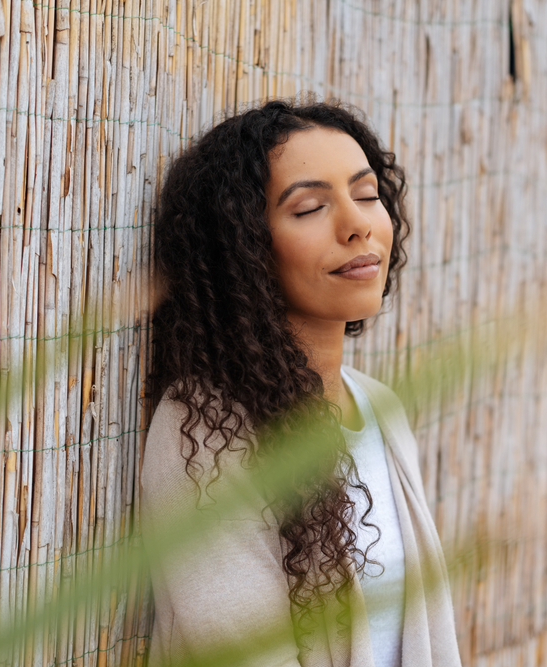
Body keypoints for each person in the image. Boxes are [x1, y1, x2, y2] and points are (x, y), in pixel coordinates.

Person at [141, 98, 462, 667]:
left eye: (367, 195)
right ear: (243, 248)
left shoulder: (379, 408)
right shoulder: (206, 431)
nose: (357, 223)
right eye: (310, 207)